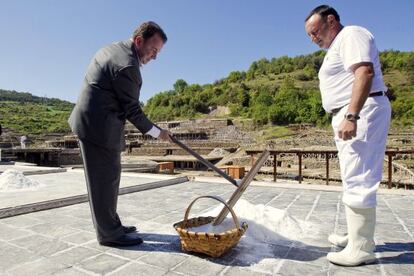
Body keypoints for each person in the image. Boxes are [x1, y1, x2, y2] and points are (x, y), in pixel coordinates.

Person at [69, 21, 172, 247]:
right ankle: (109, 234)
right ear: (138, 41)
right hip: (97, 128)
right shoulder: (128, 66)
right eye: (153, 50)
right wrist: (158, 133)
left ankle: (112, 224)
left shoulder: (117, 49)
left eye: (158, 52)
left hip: (99, 123)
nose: (155, 57)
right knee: (103, 181)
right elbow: (133, 110)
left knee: (110, 177)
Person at [305, 5, 391, 266]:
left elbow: (364, 72)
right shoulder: (338, 45)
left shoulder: (351, 34)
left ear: (331, 20)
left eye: (315, 31)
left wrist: (352, 115)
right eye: (309, 35)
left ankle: (361, 247)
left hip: (360, 112)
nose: (313, 38)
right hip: (352, 112)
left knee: (359, 176)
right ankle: (357, 237)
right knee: (353, 175)